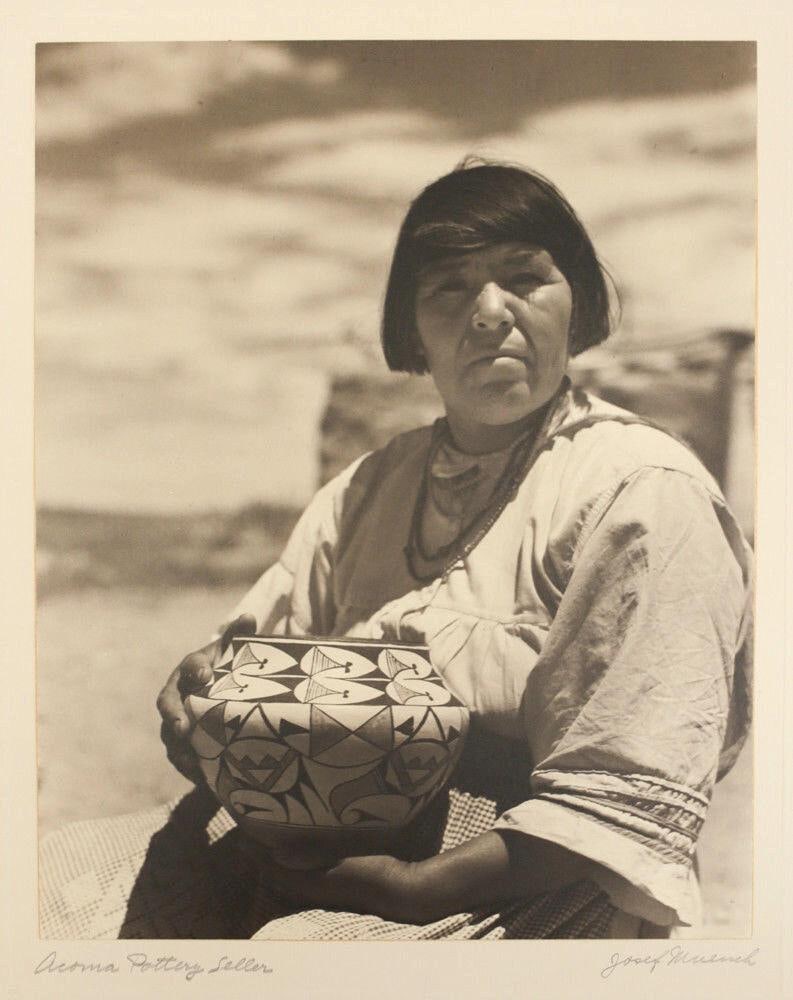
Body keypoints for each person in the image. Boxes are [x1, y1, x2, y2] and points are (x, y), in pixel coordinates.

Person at [39, 160, 752, 940]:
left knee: (296, 957)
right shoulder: (369, 487)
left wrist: (416, 888)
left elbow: (620, 797)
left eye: (525, 277)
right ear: (410, 325)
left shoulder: (640, 491)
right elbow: (261, 655)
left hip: (530, 862)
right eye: (448, 286)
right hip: (321, 824)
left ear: (575, 305)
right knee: (49, 881)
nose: (488, 313)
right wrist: (203, 682)